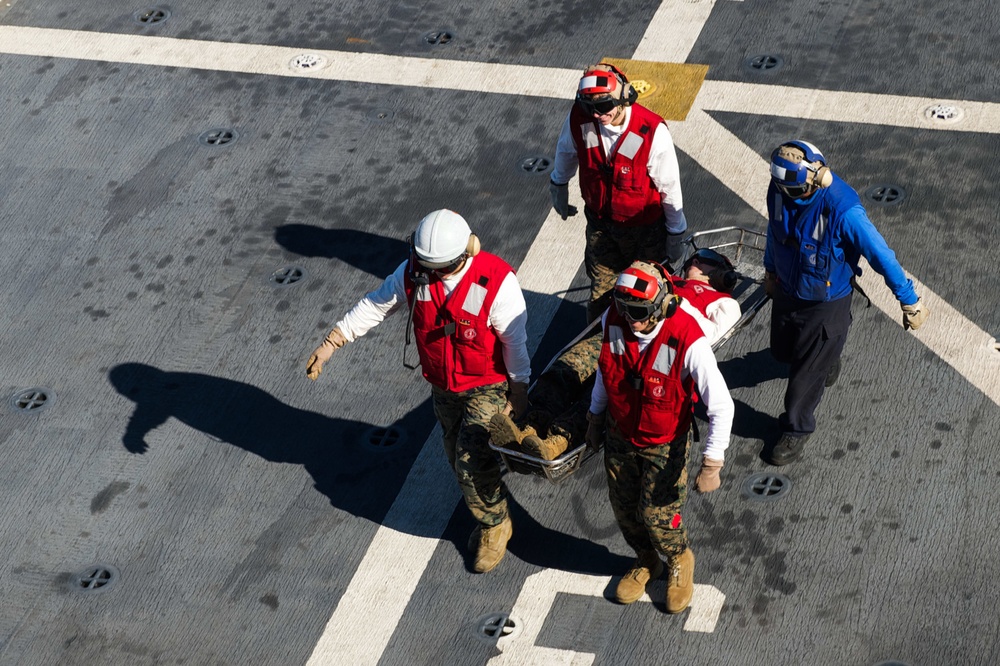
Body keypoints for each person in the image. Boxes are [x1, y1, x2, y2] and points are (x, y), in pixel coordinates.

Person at [305, 209, 531, 573]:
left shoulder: (497, 283)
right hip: (443, 386)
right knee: (453, 453)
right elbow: (377, 304)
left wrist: (519, 390)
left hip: (487, 384)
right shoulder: (414, 271)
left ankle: (495, 524)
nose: (426, 274)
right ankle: (489, 494)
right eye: (423, 264)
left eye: (436, 268)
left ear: (464, 255)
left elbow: (514, 341)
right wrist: (333, 341)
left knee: (470, 460)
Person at [490, 248, 739, 493]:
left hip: (657, 345)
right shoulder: (662, 280)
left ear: (721, 274)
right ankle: (531, 426)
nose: (695, 259)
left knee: (609, 389)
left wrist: (672, 301)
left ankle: (555, 441)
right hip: (620, 331)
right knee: (567, 367)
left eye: (707, 259)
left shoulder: (723, 303)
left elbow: (712, 335)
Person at [763, 140, 930, 466]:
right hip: (788, 291)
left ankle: (797, 430)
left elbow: (881, 255)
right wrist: (770, 270)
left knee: (802, 382)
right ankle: (827, 357)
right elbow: (774, 229)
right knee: (781, 352)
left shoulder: (844, 210)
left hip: (826, 303)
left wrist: (909, 301)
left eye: (793, 190)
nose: (786, 195)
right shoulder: (781, 187)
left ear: (816, 179)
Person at [587, 260, 734, 614]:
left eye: (640, 312)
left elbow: (722, 405)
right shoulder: (615, 320)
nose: (633, 320)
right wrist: (594, 415)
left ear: (662, 306)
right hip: (621, 434)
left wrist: (712, 462)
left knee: (658, 514)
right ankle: (645, 560)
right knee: (624, 510)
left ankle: (679, 558)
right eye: (626, 310)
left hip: (664, 442)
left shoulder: (688, 339)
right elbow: (606, 371)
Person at [548, 63, 688, 323]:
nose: (597, 115)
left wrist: (675, 234)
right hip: (601, 228)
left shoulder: (651, 131)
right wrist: (558, 184)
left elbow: (669, 189)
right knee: (599, 301)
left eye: (603, 107)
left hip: (645, 235)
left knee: (646, 302)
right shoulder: (581, 118)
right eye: (589, 107)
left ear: (624, 98)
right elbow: (567, 151)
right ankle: (599, 350)